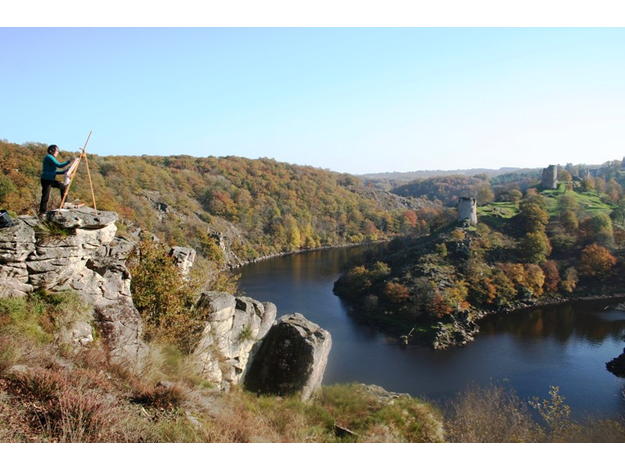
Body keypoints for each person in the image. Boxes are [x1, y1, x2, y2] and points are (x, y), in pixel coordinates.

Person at [39, 144, 75, 215]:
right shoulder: (49, 157)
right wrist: (69, 161)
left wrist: (64, 172)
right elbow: (59, 165)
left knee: (62, 187)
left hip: (49, 179)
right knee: (46, 195)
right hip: (47, 180)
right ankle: (42, 211)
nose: (57, 152)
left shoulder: (49, 158)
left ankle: (65, 203)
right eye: (56, 151)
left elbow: (53, 171)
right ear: (52, 151)